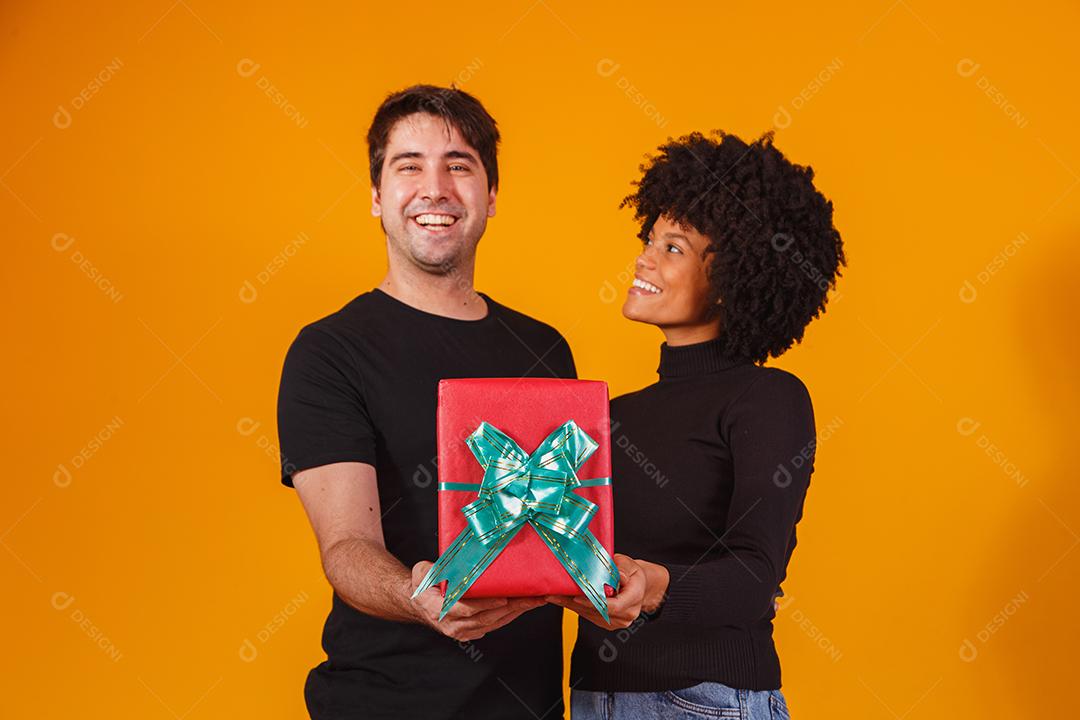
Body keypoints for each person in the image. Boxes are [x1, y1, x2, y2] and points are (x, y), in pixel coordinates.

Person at [276, 84, 574, 720]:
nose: (434, 188)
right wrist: (415, 593)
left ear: (490, 197)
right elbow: (346, 546)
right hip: (382, 705)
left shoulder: (545, 348)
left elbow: (564, 522)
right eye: (408, 166)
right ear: (378, 198)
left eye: (458, 165)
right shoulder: (328, 353)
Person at [547, 130, 845, 719]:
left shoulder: (767, 399)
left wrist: (652, 586)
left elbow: (754, 578)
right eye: (650, 238)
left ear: (732, 279)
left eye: (675, 247)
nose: (645, 257)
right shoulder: (608, 415)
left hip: (705, 702)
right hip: (593, 699)